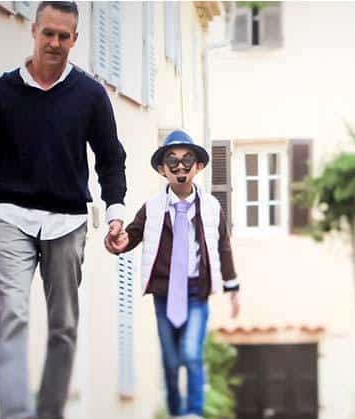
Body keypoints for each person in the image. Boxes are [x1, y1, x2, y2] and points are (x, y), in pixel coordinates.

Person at [0, 2, 128, 418]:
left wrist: (115, 215)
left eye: (63, 36)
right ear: (34, 30)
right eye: (47, 33)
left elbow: (110, 159)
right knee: (11, 314)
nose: (54, 43)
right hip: (10, 217)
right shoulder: (0, 93)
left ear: (75, 39)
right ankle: (16, 414)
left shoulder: (90, 95)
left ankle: (49, 412)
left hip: (67, 223)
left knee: (64, 325)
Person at [107, 129, 240, 419]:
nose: (180, 168)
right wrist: (119, 243)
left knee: (191, 354)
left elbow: (223, 247)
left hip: (196, 291)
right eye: (173, 161)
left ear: (199, 166)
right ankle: (177, 412)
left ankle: (193, 412)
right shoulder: (152, 208)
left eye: (187, 161)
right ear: (162, 169)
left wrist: (232, 287)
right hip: (164, 295)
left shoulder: (211, 207)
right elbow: (132, 235)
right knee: (170, 359)